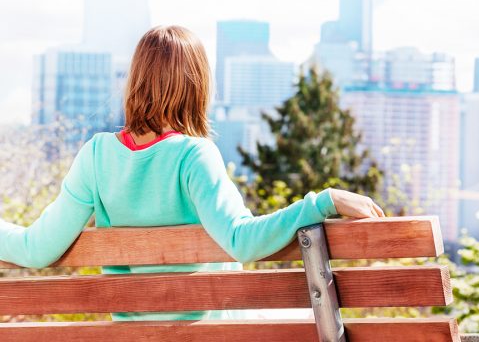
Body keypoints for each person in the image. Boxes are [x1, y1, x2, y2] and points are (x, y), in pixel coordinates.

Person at [0, 25, 384, 321]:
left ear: (135, 80)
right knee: (316, 320)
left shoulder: (96, 156)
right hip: (212, 331)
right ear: (196, 85)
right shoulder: (193, 156)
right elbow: (242, 241)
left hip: (136, 333)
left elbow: (37, 248)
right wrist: (324, 201)